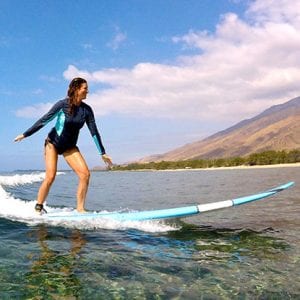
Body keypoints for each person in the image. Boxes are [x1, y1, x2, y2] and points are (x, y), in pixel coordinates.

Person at [14, 77, 113, 213]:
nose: (87, 91)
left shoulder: (87, 110)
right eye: (85, 88)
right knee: (50, 176)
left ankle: (80, 209)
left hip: (70, 146)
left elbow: (94, 132)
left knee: (85, 174)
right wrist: (26, 134)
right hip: (53, 144)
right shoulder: (62, 105)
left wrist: (102, 152)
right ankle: (39, 206)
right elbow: (44, 120)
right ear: (77, 89)